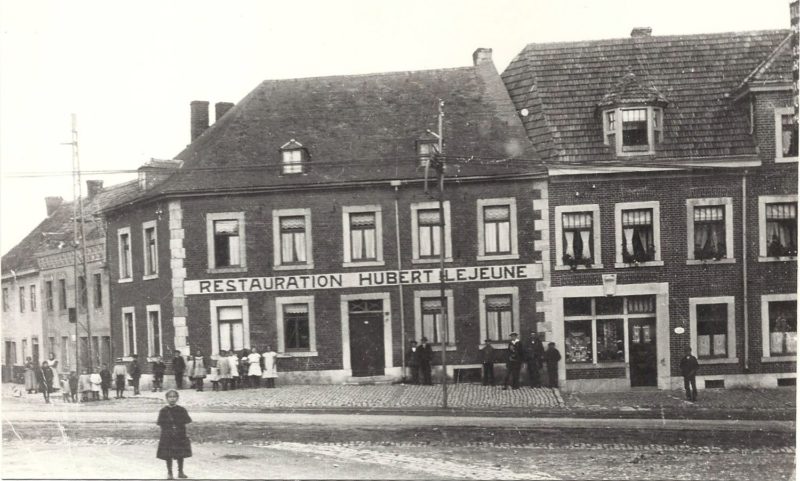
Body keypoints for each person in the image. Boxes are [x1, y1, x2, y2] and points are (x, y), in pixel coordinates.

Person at [156, 390, 192, 480]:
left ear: (177, 398)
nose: (172, 399)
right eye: (170, 397)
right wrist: (168, 429)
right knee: (168, 454)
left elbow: (187, 420)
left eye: (174, 397)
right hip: (168, 435)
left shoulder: (181, 409)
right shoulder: (163, 411)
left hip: (180, 434)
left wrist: (179, 425)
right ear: (167, 399)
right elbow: (160, 423)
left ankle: (180, 471)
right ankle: (170, 472)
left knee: (181, 454)